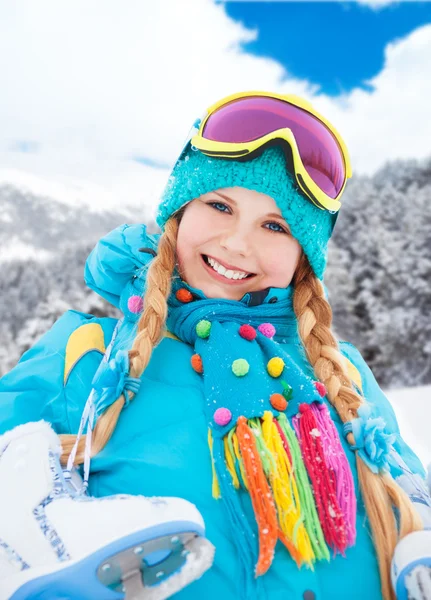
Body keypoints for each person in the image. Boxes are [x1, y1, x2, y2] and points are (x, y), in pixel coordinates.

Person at [0, 90, 430, 600]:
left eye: (275, 225)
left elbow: (410, 507)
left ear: (303, 256)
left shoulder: (345, 376)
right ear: (179, 212)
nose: (236, 244)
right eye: (219, 205)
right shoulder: (82, 355)